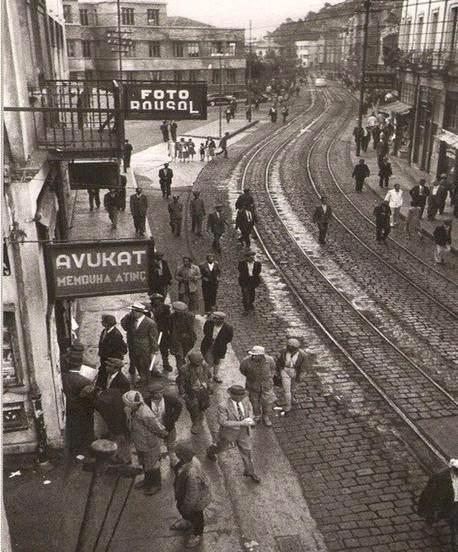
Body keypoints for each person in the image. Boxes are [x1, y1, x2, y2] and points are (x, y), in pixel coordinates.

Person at [206, 385, 260, 483]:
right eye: (238, 397)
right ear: (232, 395)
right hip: (229, 433)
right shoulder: (223, 405)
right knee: (221, 448)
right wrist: (241, 423)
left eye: (242, 396)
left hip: (243, 431)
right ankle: (210, 451)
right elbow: (223, 422)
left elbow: (249, 409)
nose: (241, 398)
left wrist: (251, 418)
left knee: (246, 452)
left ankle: (250, 471)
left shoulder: (245, 399)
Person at [123, 390, 167, 495]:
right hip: (140, 442)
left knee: (153, 465)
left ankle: (156, 485)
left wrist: (163, 434)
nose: (125, 405)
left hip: (149, 443)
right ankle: (147, 481)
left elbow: (156, 427)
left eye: (126, 403)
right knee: (144, 463)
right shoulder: (133, 410)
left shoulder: (145, 413)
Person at [171, 442, 212, 549]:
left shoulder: (192, 474)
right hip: (184, 495)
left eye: (177, 454)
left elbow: (192, 494)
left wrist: (186, 507)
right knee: (186, 512)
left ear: (183, 456)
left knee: (197, 517)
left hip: (196, 502)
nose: (176, 455)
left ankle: (197, 534)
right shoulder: (189, 461)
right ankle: (186, 520)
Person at [94, 357, 131, 464]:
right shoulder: (107, 375)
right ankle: (117, 455)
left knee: (119, 434)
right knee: (114, 433)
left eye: (109, 366)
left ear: (116, 368)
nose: (106, 367)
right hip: (109, 410)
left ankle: (124, 458)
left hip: (118, 412)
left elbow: (123, 399)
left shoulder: (123, 381)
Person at [61, 342, 95, 456]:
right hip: (82, 409)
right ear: (80, 365)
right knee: (84, 428)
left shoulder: (62, 377)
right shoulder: (84, 381)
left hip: (68, 407)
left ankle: (74, 449)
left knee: (73, 429)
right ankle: (85, 448)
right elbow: (90, 398)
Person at [417, 458, 458, 552]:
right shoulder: (440, 477)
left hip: (453, 501)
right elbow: (430, 493)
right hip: (441, 501)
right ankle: (429, 523)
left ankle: (453, 539)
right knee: (435, 514)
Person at [121, 302, 159, 387]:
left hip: (144, 348)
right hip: (133, 346)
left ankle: (145, 381)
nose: (133, 313)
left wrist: (154, 350)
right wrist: (127, 316)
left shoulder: (150, 323)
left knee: (144, 365)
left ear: (141, 312)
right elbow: (124, 326)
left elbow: (153, 338)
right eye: (132, 311)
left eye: (134, 311)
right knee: (137, 363)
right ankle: (143, 378)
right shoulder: (130, 319)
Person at [145, 381, 182, 467]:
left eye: (162, 392)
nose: (160, 394)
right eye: (158, 393)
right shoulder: (146, 402)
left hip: (168, 426)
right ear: (152, 394)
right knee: (154, 445)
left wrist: (174, 418)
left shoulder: (169, 399)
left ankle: (173, 460)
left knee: (171, 444)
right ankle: (156, 460)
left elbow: (179, 406)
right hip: (154, 429)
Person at [239, 345, 276, 426]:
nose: (253, 356)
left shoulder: (269, 360)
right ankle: (257, 416)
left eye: (255, 355)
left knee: (267, 402)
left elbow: (273, 369)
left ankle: (265, 416)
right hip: (252, 386)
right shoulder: (245, 361)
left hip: (266, 386)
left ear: (261, 355)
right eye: (252, 355)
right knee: (254, 402)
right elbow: (242, 370)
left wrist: (268, 378)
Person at [275, 338, 309, 413]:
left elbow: (304, 367)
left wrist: (301, 376)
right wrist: (279, 371)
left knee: (293, 389)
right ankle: (288, 405)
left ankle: (292, 398)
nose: (290, 349)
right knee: (286, 390)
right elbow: (278, 362)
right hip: (285, 371)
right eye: (289, 347)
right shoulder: (283, 351)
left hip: (295, 372)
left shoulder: (303, 355)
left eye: (293, 348)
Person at [181, 352, 212, 434]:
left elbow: (209, 376)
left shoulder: (204, 366)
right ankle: (195, 422)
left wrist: (209, 386)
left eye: (200, 361)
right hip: (191, 392)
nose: (199, 364)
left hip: (203, 391)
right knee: (193, 408)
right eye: (196, 362)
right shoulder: (184, 369)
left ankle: (201, 412)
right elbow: (181, 383)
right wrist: (184, 395)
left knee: (205, 405)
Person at [200, 311, 233, 384]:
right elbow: (205, 331)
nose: (214, 320)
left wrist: (220, 342)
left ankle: (216, 375)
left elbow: (229, 338)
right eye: (214, 318)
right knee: (208, 360)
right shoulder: (209, 323)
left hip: (219, 347)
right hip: (208, 344)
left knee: (217, 361)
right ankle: (208, 375)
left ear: (222, 320)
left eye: (216, 318)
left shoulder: (228, 328)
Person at [97, 314, 127, 389]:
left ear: (107, 323)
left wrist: (115, 359)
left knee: (111, 377)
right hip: (105, 359)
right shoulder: (105, 330)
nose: (101, 322)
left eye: (103, 321)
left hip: (111, 361)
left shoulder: (116, 335)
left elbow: (123, 348)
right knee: (103, 374)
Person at [169, 301, 197, 380]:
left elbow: (191, 329)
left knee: (184, 355)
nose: (179, 313)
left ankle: (183, 367)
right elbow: (171, 329)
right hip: (177, 340)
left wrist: (187, 335)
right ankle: (181, 375)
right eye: (177, 312)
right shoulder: (172, 317)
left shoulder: (190, 316)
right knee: (179, 357)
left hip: (188, 340)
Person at [149, 293, 172, 373]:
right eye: (155, 299)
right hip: (152, 332)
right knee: (152, 349)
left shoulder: (165, 308)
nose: (156, 301)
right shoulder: (149, 308)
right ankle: (152, 367)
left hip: (162, 331)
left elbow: (168, 320)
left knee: (164, 348)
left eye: (158, 299)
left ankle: (166, 363)